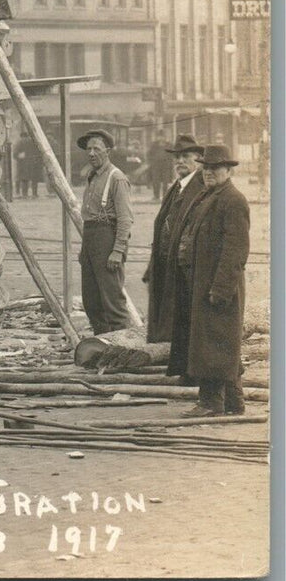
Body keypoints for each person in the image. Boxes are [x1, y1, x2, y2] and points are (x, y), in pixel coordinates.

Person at [174, 144, 250, 417]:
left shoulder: (233, 199)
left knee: (213, 343)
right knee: (221, 342)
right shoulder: (210, 195)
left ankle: (210, 402)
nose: (208, 172)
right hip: (205, 283)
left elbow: (236, 250)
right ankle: (233, 401)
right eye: (205, 168)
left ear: (228, 170)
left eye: (215, 168)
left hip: (220, 286)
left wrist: (220, 289)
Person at [142, 134, 206, 377]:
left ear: (198, 160)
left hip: (185, 266)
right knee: (176, 320)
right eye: (177, 157)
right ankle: (182, 370)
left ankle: (191, 372)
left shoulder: (199, 186)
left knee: (187, 319)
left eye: (185, 157)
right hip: (168, 264)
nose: (180, 162)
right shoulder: (176, 187)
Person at [76, 129, 135, 335]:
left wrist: (118, 250)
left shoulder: (116, 178)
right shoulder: (92, 176)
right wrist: (85, 251)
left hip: (107, 239)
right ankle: (102, 343)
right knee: (91, 300)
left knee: (113, 301)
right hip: (91, 238)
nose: (91, 153)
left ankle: (124, 345)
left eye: (97, 149)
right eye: (89, 149)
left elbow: (125, 219)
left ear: (107, 151)